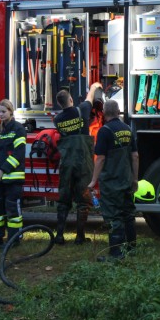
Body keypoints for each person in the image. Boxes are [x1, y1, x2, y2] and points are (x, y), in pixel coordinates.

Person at [87, 99, 139, 261]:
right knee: (128, 214)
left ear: (103, 113)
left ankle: (116, 254)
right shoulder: (127, 129)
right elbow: (135, 156)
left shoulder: (104, 131)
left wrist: (93, 180)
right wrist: (135, 180)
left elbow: (100, 159)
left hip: (111, 182)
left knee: (114, 217)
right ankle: (131, 247)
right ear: (118, 112)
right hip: (126, 180)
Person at [52, 82, 103, 244]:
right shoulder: (82, 110)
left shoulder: (57, 119)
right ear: (71, 100)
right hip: (83, 161)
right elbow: (89, 98)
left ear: (60, 104)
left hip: (67, 162)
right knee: (83, 199)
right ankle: (80, 236)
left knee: (64, 198)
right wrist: (94, 87)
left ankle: (59, 236)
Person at [0, 99, 26, 247]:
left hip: (13, 178)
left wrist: (3, 170)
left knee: (12, 211)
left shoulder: (18, 129)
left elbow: (18, 153)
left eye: (3, 111)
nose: (0, 114)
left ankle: (14, 240)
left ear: (10, 111)